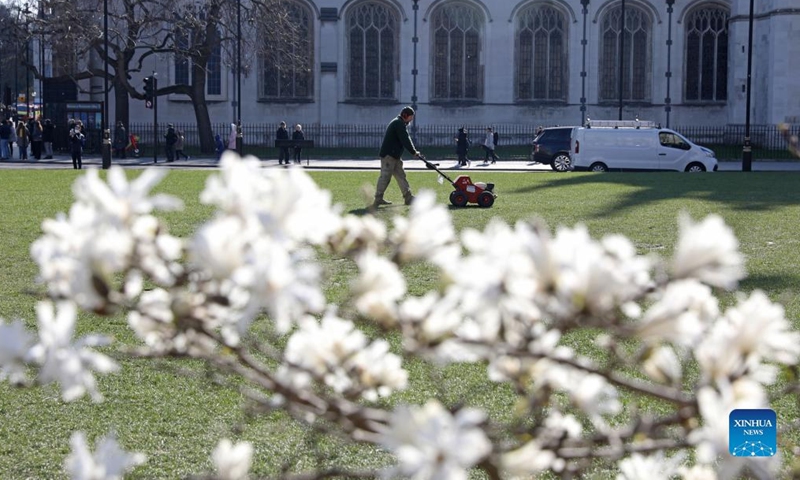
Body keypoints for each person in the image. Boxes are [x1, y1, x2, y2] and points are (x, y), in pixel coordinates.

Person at [373, 106, 423, 208]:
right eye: (411, 117)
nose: (411, 120)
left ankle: (408, 198)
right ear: (405, 115)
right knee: (385, 177)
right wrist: (413, 152)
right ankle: (378, 198)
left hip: (394, 156)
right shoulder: (398, 123)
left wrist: (413, 151)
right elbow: (405, 139)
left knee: (401, 176)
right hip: (389, 156)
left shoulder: (400, 123)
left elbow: (405, 139)